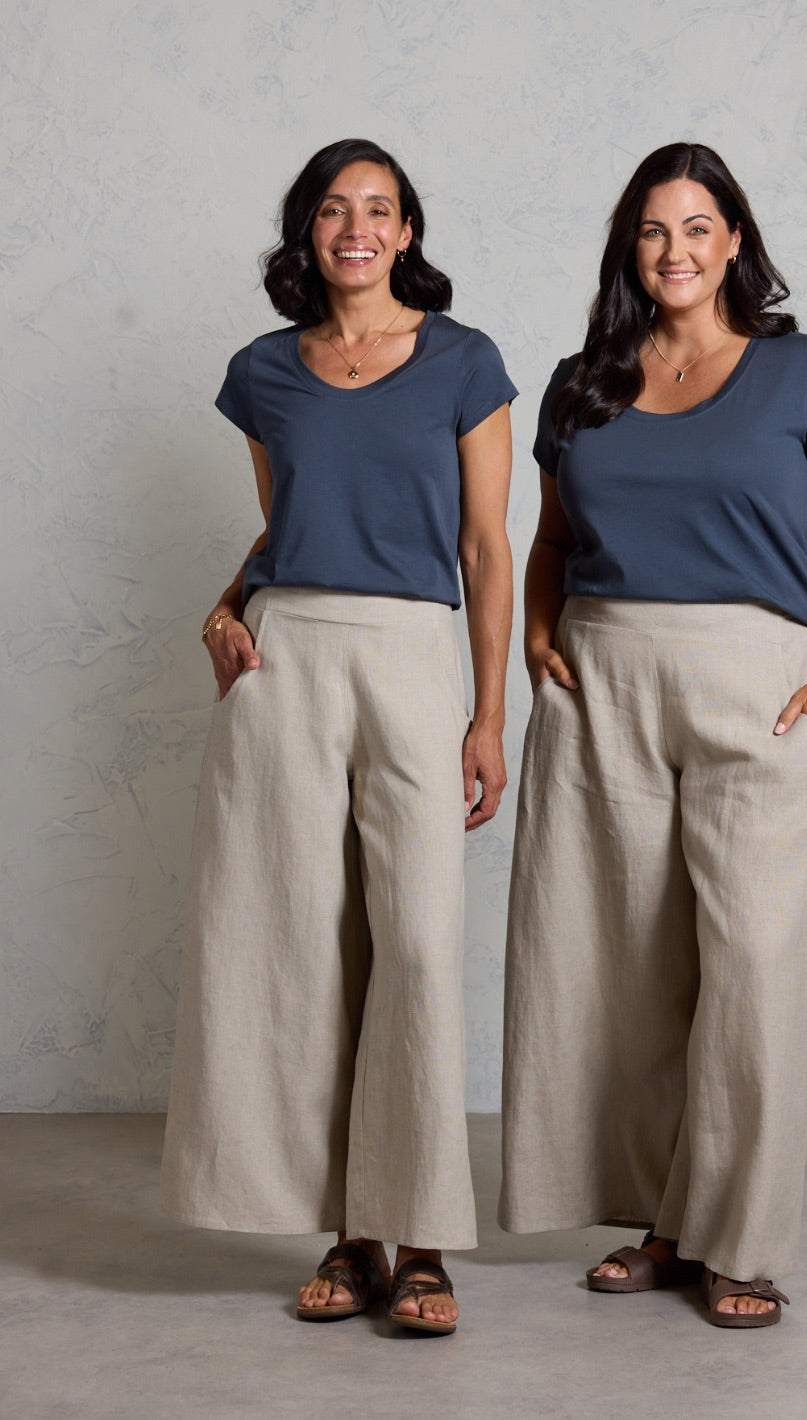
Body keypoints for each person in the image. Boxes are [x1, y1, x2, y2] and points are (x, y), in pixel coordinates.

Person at [499, 142, 807, 1328]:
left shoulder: (806, 373)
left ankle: (742, 1242)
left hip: (758, 687)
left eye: (697, 227)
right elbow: (551, 541)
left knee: (756, 971)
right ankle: (669, 1227)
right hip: (603, 686)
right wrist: (536, 635)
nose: (675, 250)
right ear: (631, 247)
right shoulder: (583, 384)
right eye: (654, 229)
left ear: (735, 243)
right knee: (624, 971)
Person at [161, 138, 516, 1336]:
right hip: (289, 661)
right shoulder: (264, 372)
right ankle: (351, 1235)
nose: (354, 227)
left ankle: (423, 1239)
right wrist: (221, 608)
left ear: (407, 232)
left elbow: (486, 549)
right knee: (303, 946)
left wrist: (487, 712)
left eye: (377, 208)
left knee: (416, 942)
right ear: (307, 233)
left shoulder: (465, 361)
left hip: (414, 651)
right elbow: (287, 530)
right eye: (332, 208)